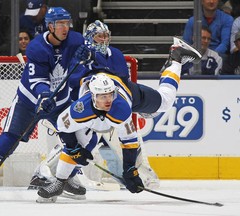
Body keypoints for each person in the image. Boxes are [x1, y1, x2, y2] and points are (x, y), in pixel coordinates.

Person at [36, 38, 202, 201]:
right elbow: (63, 127)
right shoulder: (80, 109)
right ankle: (59, 182)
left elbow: (129, 141)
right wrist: (73, 148)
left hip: (125, 89)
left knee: (165, 102)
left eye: (110, 95)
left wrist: (130, 170)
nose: (108, 100)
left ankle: (176, 57)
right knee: (81, 141)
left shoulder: (121, 108)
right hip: (93, 98)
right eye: (103, 97)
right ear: (93, 97)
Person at [0, 7, 86, 200]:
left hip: (60, 101)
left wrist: (90, 55)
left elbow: (89, 57)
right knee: (9, 140)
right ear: (50, 26)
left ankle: (67, 177)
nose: (65, 27)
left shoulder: (76, 40)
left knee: (74, 140)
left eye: (66, 23)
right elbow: (37, 82)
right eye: (60, 24)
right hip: (29, 101)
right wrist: (44, 96)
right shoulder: (37, 47)